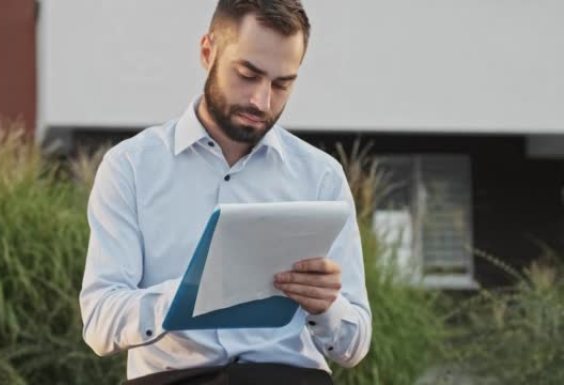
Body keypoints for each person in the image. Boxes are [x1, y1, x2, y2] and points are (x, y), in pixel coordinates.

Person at [80, 1, 372, 384]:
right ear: (208, 52)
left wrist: (327, 306)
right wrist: (190, 297)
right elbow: (100, 321)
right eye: (248, 74)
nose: (262, 101)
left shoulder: (321, 177)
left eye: (282, 84)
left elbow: (354, 344)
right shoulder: (131, 167)